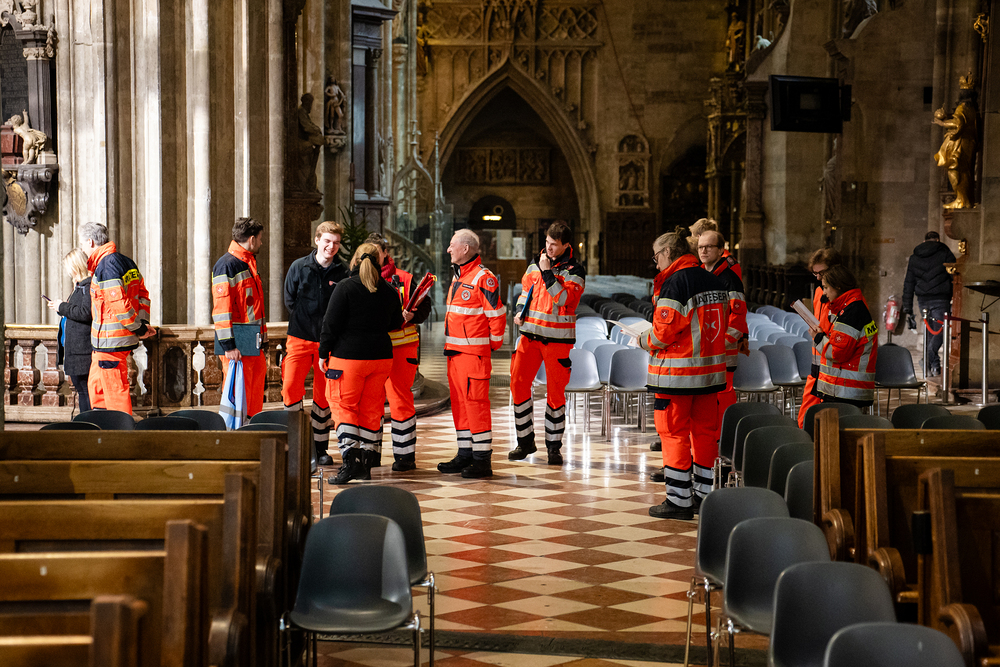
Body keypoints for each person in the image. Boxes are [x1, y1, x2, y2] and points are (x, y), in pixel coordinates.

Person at [641, 228, 730, 520]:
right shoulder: (714, 280)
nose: (656, 262)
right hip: (710, 376)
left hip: (677, 375)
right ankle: (704, 497)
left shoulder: (675, 282)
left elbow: (663, 333)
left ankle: (678, 501)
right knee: (705, 435)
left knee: (673, 434)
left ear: (668, 252)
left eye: (656, 256)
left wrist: (642, 340)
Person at [318, 243, 403, 484]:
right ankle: (365, 465)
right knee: (371, 410)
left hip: (348, 357)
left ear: (354, 261)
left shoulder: (345, 287)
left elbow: (330, 324)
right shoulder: (389, 290)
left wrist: (323, 353)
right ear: (380, 262)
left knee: (343, 407)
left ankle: (350, 463)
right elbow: (396, 322)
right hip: (381, 358)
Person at [508, 221, 586, 466]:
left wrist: (547, 272)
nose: (548, 248)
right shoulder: (536, 262)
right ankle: (524, 441)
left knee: (555, 393)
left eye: (554, 244)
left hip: (557, 341)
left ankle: (554, 447)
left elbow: (562, 298)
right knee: (518, 385)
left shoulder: (575, 270)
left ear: (566, 245)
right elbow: (525, 293)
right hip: (529, 336)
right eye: (547, 243)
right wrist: (519, 310)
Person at [437, 229, 506, 479]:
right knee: (460, 406)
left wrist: (490, 346)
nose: (448, 249)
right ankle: (465, 454)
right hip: (455, 354)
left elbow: (497, 316)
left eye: (452, 244)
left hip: (473, 356)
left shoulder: (483, 278)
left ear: (465, 249)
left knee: (476, 406)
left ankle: (482, 460)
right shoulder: (460, 275)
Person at [282, 221, 350, 465]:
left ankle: (320, 449)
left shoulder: (343, 272)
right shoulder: (298, 266)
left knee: (324, 397)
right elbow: (289, 299)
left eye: (336, 243)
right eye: (327, 241)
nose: (331, 246)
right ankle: (295, 446)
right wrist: (306, 321)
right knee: (290, 388)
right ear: (317, 240)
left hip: (328, 344)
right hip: (299, 338)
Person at [367, 234, 433, 472]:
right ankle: (370, 454)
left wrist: (413, 315)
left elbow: (425, 306)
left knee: (400, 401)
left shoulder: (405, 278)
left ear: (386, 253)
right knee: (371, 402)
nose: (374, 256)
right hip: (372, 350)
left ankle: (405, 457)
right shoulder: (361, 278)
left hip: (401, 348)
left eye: (377, 251)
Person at [78, 222, 154, 414]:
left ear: (90, 241)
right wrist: (143, 323)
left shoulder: (107, 265)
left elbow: (119, 305)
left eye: (82, 244)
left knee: (115, 395)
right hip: (107, 344)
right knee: (97, 389)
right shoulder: (126, 262)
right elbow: (143, 296)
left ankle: (121, 430)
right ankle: (102, 426)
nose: (82, 249)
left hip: (110, 343)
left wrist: (139, 328)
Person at [213, 217, 267, 418]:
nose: (261, 242)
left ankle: (252, 432)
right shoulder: (226, 265)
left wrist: (263, 339)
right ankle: (237, 435)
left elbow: (254, 307)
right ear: (252, 239)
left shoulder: (247, 263)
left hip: (252, 343)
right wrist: (229, 346)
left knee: (253, 400)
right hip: (237, 346)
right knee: (238, 402)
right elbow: (221, 309)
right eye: (260, 238)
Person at [806, 265, 878, 411]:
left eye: (826, 287)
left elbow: (837, 353)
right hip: (845, 390)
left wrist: (818, 337)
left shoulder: (852, 312)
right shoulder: (850, 308)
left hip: (846, 391)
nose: (824, 292)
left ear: (838, 286)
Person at [798, 247, 842, 428]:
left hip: (833, 368)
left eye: (821, 273)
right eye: (815, 273)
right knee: (804, 420)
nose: (817, 278)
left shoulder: (844, 297)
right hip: (817, 366)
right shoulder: (819, 293)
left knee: (826, 424)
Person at [902, 231, 955, 377]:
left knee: (931, 332)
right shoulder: (945, 253)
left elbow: (909, 282)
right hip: (941, 298)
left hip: (923, 300)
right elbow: (954, 276)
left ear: (924, 241)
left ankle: (932, 364)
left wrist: (908, 306)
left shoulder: (915, 257)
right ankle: (929, 360)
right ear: (937, 240)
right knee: (940, 331)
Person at [48, 248, 94, 413]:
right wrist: (61, 308)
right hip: (75, 350)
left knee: (85, 391)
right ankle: (85, 423)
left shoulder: (87, 286)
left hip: (83, 351)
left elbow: (85, 313)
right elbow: (76, 311)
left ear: (75, 267)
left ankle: (89, 424)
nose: (68, 272)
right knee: (81, 391)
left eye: (69, 268)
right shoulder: (79, 287)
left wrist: (62, 306)